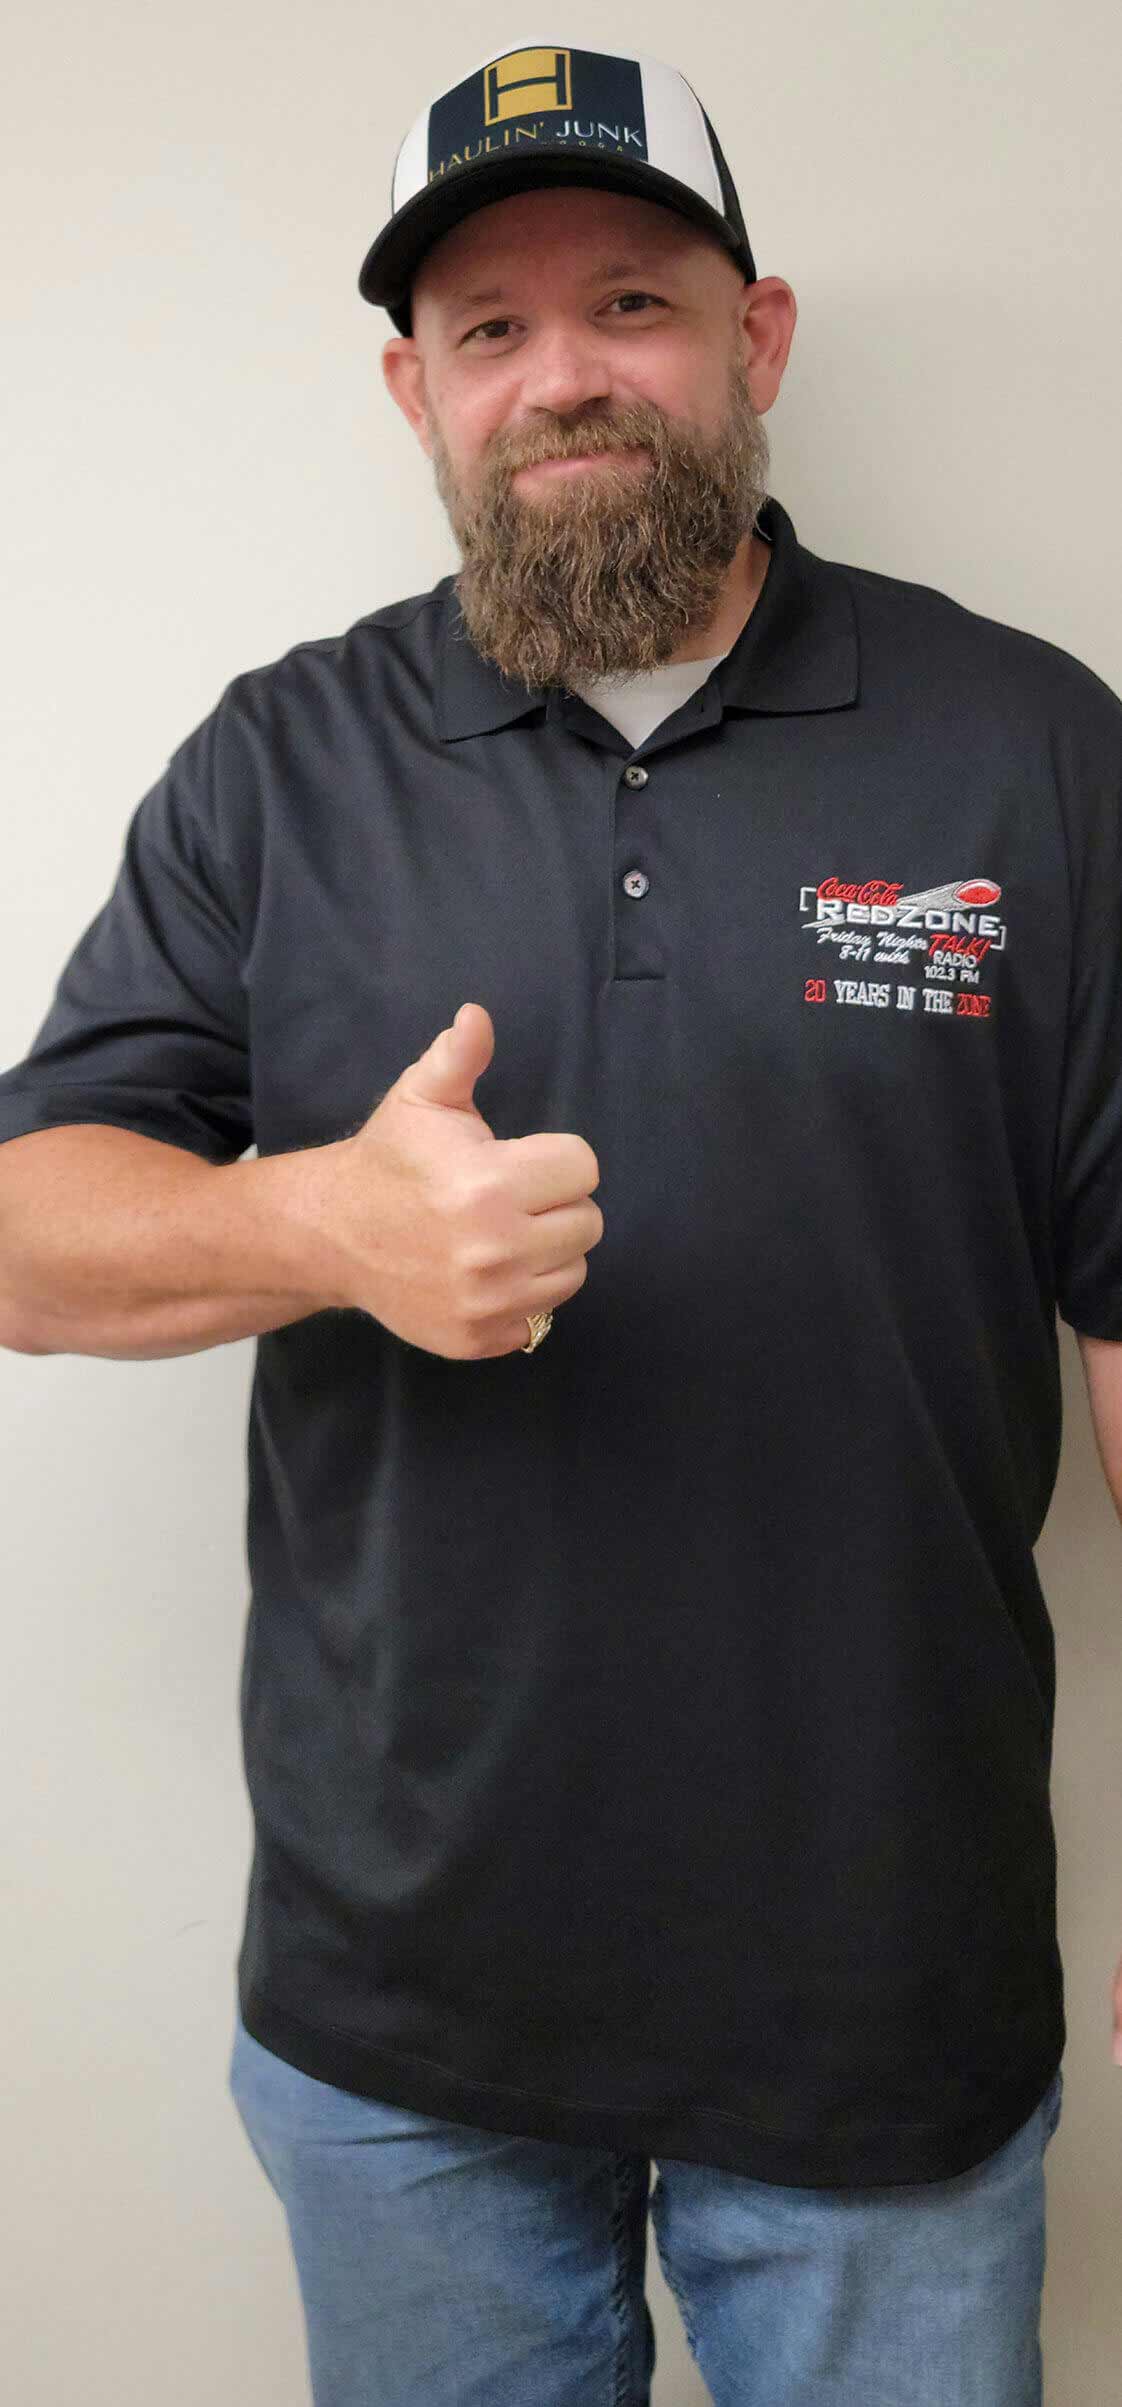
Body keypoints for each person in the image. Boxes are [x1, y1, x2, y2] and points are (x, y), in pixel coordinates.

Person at [0, 33, 1118, 2406]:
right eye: (491, 327)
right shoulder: (281, 763)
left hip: (884, 1997)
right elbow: (26, 1232)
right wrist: (325, 1225)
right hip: (404, 2027)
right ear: (414, 392)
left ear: (756, 337)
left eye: (632, 302)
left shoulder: (1032, 746)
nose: (565, 375)